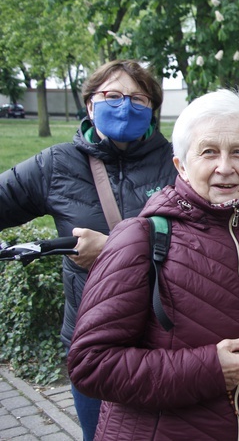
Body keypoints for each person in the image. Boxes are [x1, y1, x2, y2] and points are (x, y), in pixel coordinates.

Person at [67, 89, 239, 440]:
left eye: (238, 152)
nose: (225, 167)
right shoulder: (139, 239)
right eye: (208, 152)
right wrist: (207, 369)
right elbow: (90, 365)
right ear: (181, 165)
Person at [0, 59, 178, 440]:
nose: (125, 105)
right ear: (90, 104)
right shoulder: (57, 164)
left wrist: (114, 250)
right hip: (95, 344)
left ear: (152, 109)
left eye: (138, 98)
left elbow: (207, 246)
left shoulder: (179, 162)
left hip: (166, 340)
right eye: (112, 95)